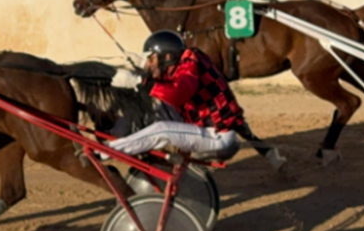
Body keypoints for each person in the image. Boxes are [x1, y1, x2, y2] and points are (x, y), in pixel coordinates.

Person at [103, 30, 258, 162]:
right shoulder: (182, 64)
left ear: (167, 57)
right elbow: (166, 84)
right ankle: (111, 133)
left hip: (219, 136)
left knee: (161, 130)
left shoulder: (190, 67)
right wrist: (140, 71)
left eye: (151, 59)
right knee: (154, 110)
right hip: (204, 127)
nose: (148, 64)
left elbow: (178, 94)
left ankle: (105, 152)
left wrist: (141, 81)